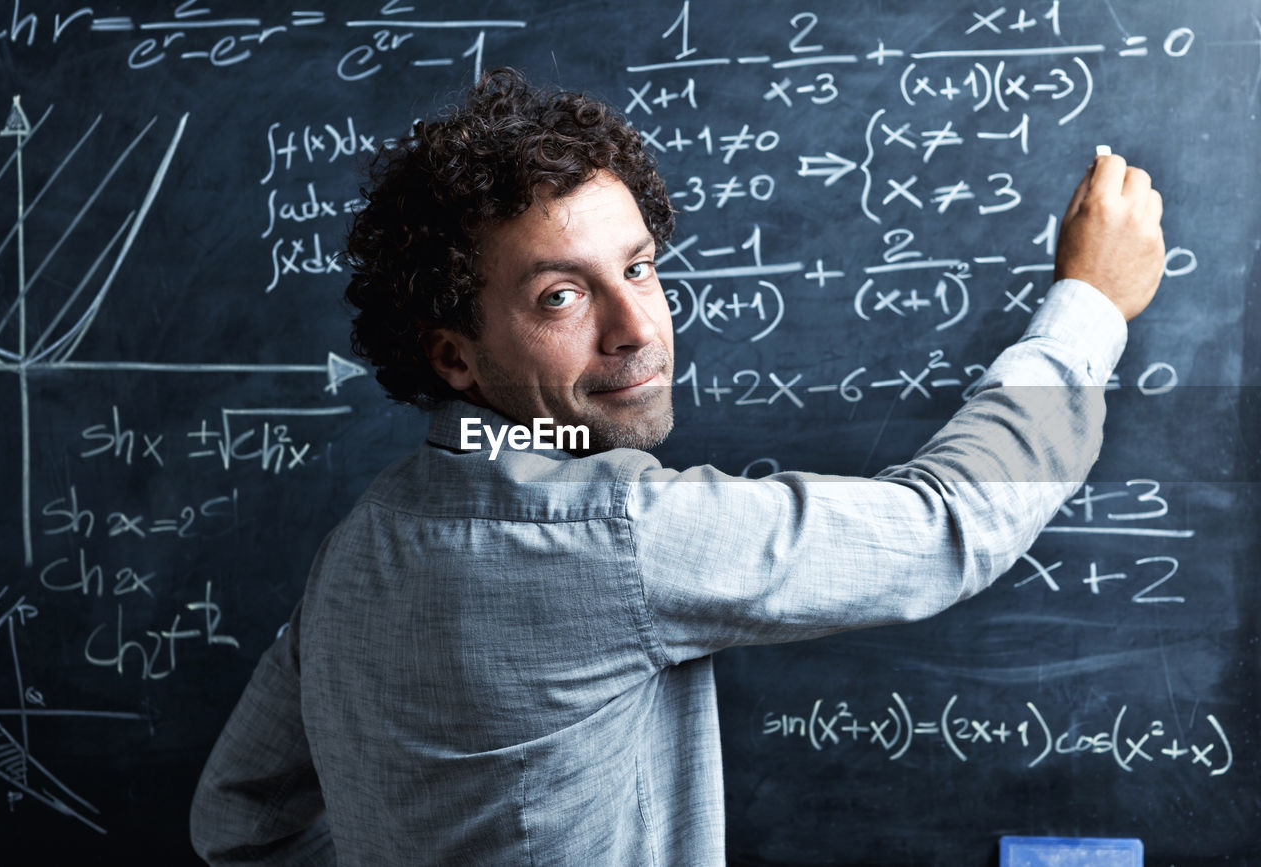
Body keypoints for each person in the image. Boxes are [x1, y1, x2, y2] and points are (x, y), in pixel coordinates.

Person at [189, 68, 1164, 864]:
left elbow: (238, 819)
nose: (634, 328)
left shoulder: (358, 547)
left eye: (639, 267)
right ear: (452, 355)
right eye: (561, 297)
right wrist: (1086, 306)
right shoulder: (605, 538)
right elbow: (950, 525)